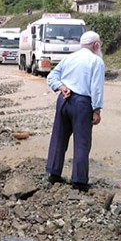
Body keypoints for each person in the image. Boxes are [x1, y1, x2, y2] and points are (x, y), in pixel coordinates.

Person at [45, 31, 105, 192]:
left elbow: (51, 77)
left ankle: (53, 172)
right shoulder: (96, 61)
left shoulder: (69, 58)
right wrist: (97, 110)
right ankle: (79, 180)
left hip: (64, 99)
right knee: (82, 142)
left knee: (59, 136)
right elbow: (96, 89)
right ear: (96, 45)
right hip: (82, 103)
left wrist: (61, 87)